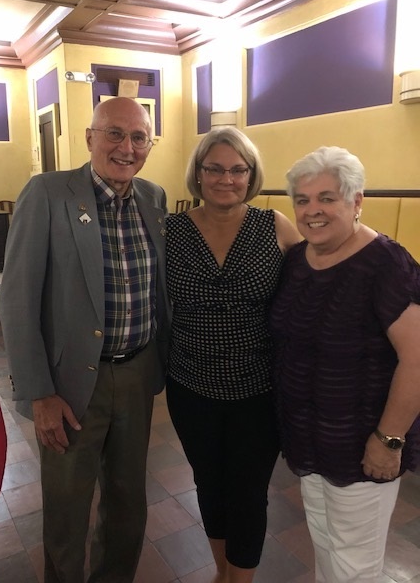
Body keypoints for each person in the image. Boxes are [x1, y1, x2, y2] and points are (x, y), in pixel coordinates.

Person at [0, 97, 171, 583]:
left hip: (136, 374)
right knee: (68, 509)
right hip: (70, 385)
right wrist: (39, 393)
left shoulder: (153, 198)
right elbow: (16, 300)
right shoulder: (48, 193)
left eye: (139, 137)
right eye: (114, 133)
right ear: (90, 137)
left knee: (127, 503)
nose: (127, 147)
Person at [270, 146, 420, 583]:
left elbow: (416, 357)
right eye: (302, 199)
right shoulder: (299, 259)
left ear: (357, 202)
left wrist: (388, 440)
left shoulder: (386, 264)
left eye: (327, 198)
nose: (312, 210)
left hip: (362, 448)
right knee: (328, 549)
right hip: (310, 443)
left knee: (356, 567)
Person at [165, 127, 300, 583]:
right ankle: (222, 572)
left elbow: (322, 277)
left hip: (258, 389)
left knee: (248, 493)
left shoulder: (275, 225)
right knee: (209, 485)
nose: (227, 178)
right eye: (215, 168)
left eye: (238, 169)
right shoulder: (171, 230)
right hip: (190, 387)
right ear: (198, 174)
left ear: (251, 175)